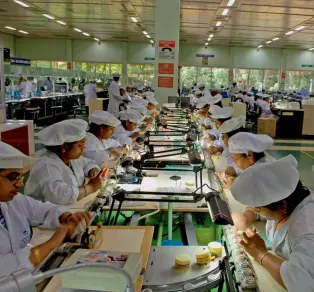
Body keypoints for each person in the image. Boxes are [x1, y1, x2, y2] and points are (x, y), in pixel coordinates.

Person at [0, 142, 91, 277]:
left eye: (20, 176)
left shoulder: (12, 201)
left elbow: (43, 209)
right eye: (13, 177)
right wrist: (54, 242)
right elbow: (6, 267)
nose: (20, 184)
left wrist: (66, 217)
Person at [231, 155, 314, 290]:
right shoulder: (287, 206)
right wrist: (245, 218)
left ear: (282, 204)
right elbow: (265, 212)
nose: (257, 211)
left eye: (259, 208)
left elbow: (301, 280)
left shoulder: (306, 228)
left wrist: (260, 254)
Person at [24, 119, 102, 205]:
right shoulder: (46, 165)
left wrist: (92, 170)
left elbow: (89, 163)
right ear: (64, 147)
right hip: (46, 216)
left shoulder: (71, 158)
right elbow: (60, 196)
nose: (84, 148)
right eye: (80, 145)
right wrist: (90, 187)